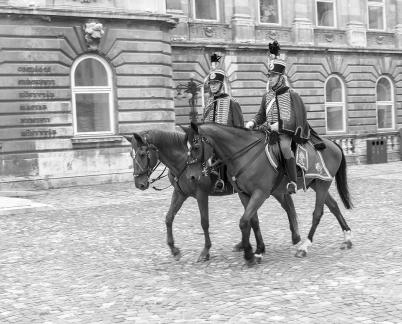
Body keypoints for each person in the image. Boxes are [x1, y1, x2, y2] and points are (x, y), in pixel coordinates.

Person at [245, 41, 325, 194]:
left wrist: (279, 126)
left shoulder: (291, 95)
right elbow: (261, 114)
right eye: (269, 76)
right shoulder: (267, 95)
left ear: (281, 77)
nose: (270, 78)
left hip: (284, 133)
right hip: (267, 131)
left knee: (285, 147)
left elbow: (296, 118)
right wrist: (252, 122)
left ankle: (293, 182)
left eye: (273, 76)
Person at [202, 55, 244, 127]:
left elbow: (239, 127)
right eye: (211, 83)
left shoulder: (232, 102)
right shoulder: (209, 102)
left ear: (221, 84)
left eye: (215, 83)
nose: (212, 86)